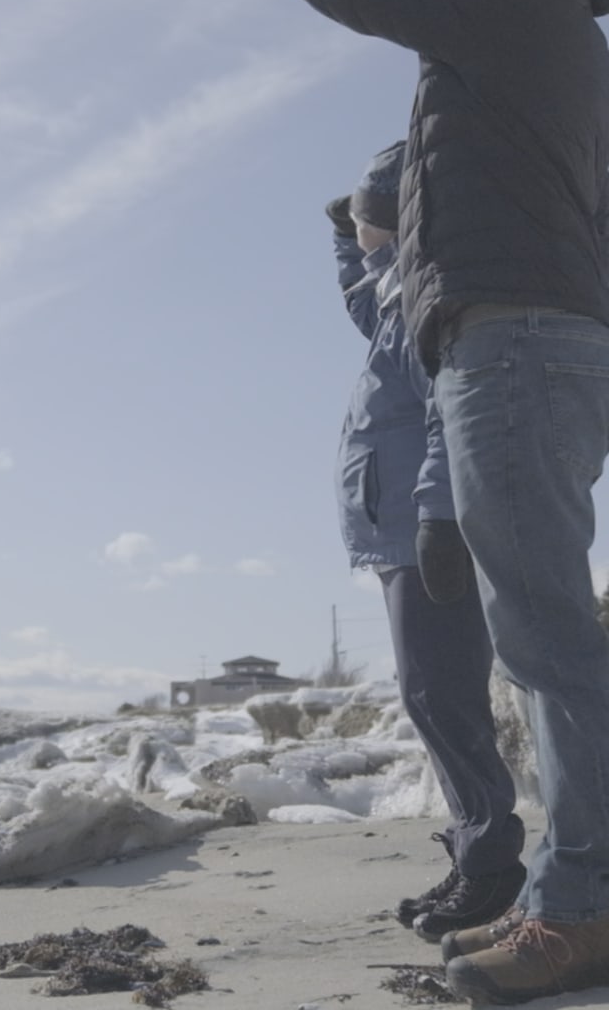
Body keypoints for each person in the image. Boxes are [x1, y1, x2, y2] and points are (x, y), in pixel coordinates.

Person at [288, 0, 609, 1004]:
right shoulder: (561, 13)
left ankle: (577, 909)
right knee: (548, 631)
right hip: (546, 340)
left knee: (546, 641)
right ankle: (572, 894)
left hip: (514, 343)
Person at [329, 140, 524, 945]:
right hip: (401, 527)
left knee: (440, 692)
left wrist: (438, 514)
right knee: (431, 693)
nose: (358, 226)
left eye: (364, 215)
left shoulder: (422, 289)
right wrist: (345, 243)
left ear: (394, 215)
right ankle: (477, 847)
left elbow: (448, 406)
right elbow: (362, 305)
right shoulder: (393, 286)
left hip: (424, 529)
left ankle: (491, 864)